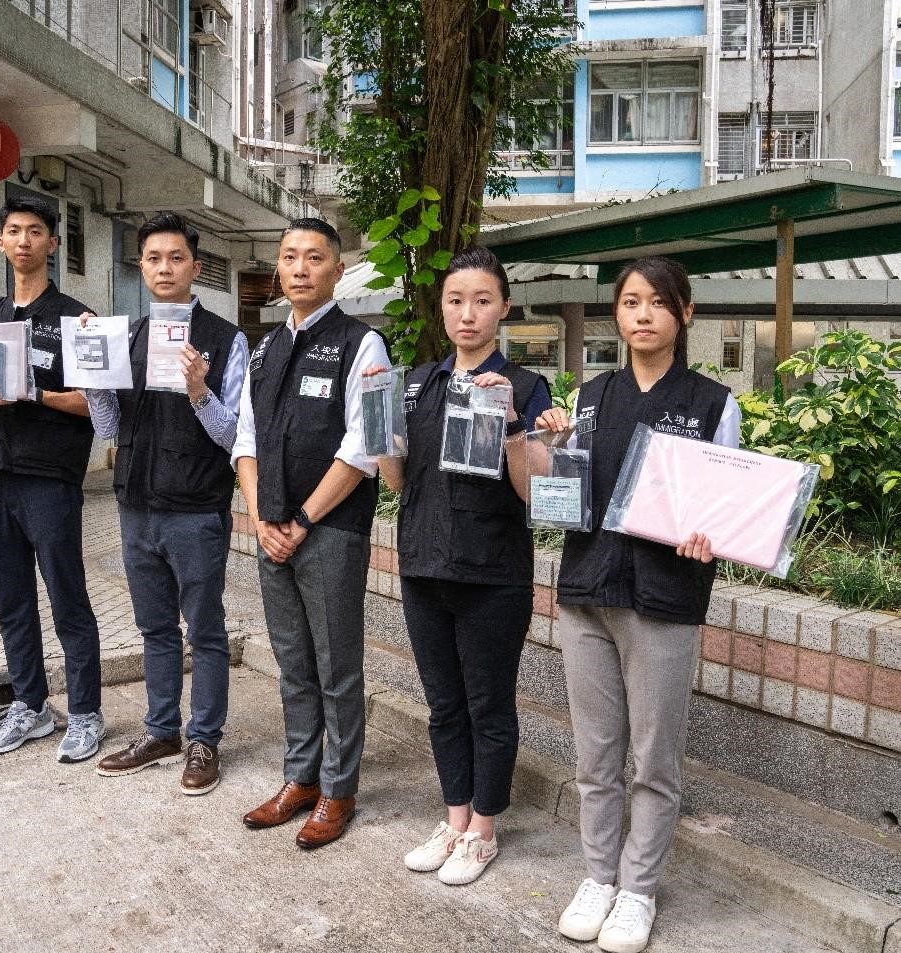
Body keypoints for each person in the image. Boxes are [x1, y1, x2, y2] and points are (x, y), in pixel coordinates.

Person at [532, 256, 741, 953]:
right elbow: (565, 493)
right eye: (629, 302)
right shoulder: (589, 395)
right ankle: (598, 875)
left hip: (662, 599)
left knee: (653, 760)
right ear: (616, 314)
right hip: (587, 592)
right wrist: (555, 447)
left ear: (685, 314)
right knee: (596, 755)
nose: (642, 314)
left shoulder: (713, 403)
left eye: (657, 302)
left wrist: (716, 533)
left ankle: (638, 887)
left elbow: (728, 505)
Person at [367, 247, 552, 886]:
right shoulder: (416, 382)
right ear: (441, 308)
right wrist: (376, 431)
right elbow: (396, 481)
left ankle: (484, 831)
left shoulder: (525, 387)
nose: (467, 313)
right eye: (455, 300)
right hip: (423, 567)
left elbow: (535, 493)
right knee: (443, 703)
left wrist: (509, 426)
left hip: (494, 573)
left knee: (488, 703)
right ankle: (453, 818)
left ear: (503, 307)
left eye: (481, 300)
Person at [233, 217, 390, 849]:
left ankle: (338, 788)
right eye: (290, 257)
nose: (300, 268)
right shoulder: (266, 347)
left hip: (329, 533)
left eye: (315, 258)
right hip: (272, 533)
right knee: (292, 663)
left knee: (336, 666)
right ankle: (300, 776)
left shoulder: (363, 344)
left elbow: (367, 446)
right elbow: (245, 439)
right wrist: (259, 516)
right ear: (278, 268)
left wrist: (300, 520)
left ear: (338, 270)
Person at [0, 195, 104, 763]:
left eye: (36, 231)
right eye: (14, 231)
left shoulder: (77, 317)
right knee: (11, 600)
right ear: (2, 243)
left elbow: (95, 406)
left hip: (49, 475)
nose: (25, 240)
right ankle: (30, 708)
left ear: (53, 244)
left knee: (67, 599)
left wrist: (34, 393)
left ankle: (84, 714)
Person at [85, 213, 247, 795]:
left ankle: (204, 739)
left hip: (197, 507)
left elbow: (235, 436)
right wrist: (94, 379)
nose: (164, 268)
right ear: (142, 266)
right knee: (154, 627)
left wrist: (199, 390)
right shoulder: (125, 336)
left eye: (176, 258)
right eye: (153, 258)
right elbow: (109, 428)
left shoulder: (227, 339)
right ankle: (162, 730)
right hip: (136, 503)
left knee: (204, 629)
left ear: (195, 268)